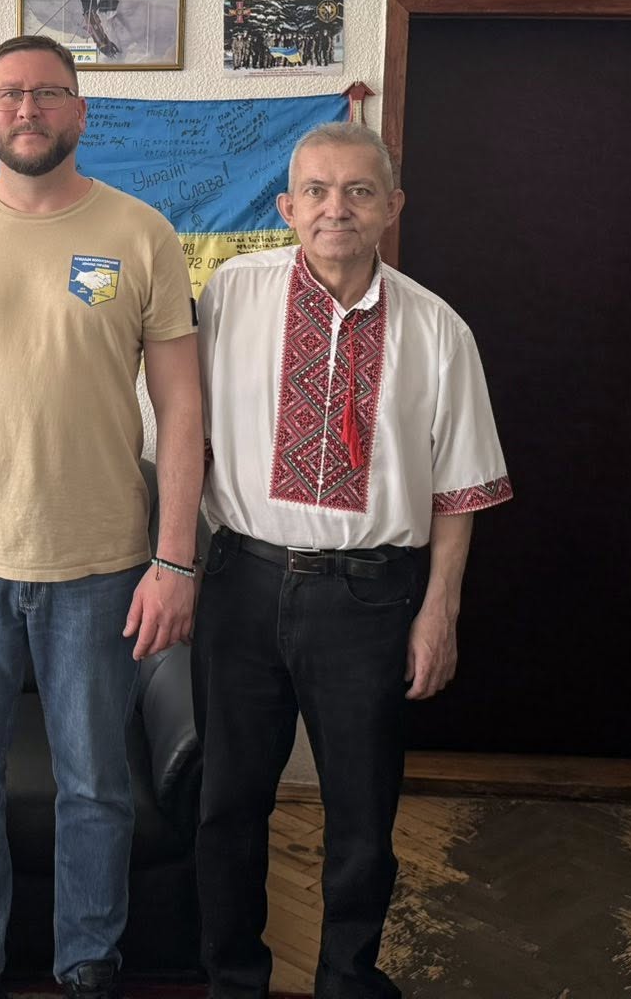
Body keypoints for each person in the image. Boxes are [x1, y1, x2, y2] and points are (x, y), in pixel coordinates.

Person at [0, 34, 204, 999]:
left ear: (80, 112)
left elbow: (182, 407)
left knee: (96, 781)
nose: (28, 109)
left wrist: (175, 560)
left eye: (49, 93)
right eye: (10, 94)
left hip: (102, 561)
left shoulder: (141, 232)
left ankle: (88, 959)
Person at [193, 122, 511, 999]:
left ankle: (347, 979)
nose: (337, 209)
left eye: (360, 191)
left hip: (370, 599)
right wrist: (171, 566)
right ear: (286, 206)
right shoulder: (229, 295)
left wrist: (440, 612)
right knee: (227, 806)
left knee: (362, 816)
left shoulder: (438, 328)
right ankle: (232, 980)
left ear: (392, 206)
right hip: (242, 584)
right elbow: (187, 438)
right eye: (318, 191)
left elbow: (460, 488)